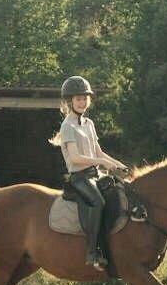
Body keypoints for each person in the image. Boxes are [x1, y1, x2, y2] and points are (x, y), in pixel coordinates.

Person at [50, 75, 127, 270]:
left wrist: (117, 164)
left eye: (85, 98)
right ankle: (93, 252)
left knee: (118, 193)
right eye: (78, 99)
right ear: (70, 102)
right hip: (80, 178)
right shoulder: (67, 126)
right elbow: (75, 158)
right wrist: (101, 162)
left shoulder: (89, 123)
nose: (82, 102)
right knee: (98, 202)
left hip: (95, 175)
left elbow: (98, 151)